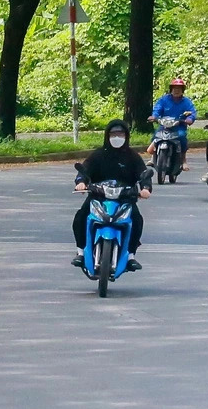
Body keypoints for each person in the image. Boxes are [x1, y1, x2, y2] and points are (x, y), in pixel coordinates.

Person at [72, 118, 152, 268]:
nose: (117, 137)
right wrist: (81, 183)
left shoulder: (132, 157)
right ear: (107, 136)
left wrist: (146, 188)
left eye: (121, 134)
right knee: (80, 217)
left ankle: (130, 256)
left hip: (125, 199)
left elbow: (143, 174)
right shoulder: (98, 155)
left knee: (137, 220)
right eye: (113, 134)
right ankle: (81, 252)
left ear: (126, 136)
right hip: (98, 197)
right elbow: (84, 171)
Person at [150, 77, 198, 170]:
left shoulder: (186, 102)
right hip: (164, 126)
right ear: (171, 89)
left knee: (182, 138)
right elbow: (157, 109)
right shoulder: (164, 100)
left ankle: (183, 160)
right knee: (156, 135)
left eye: (179, 89)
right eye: (175, 88)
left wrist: (189, 119)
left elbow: (192, 112)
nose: (176, 91)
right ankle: (153, 157)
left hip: (178, 127)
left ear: (182, 90)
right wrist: (154, 116)